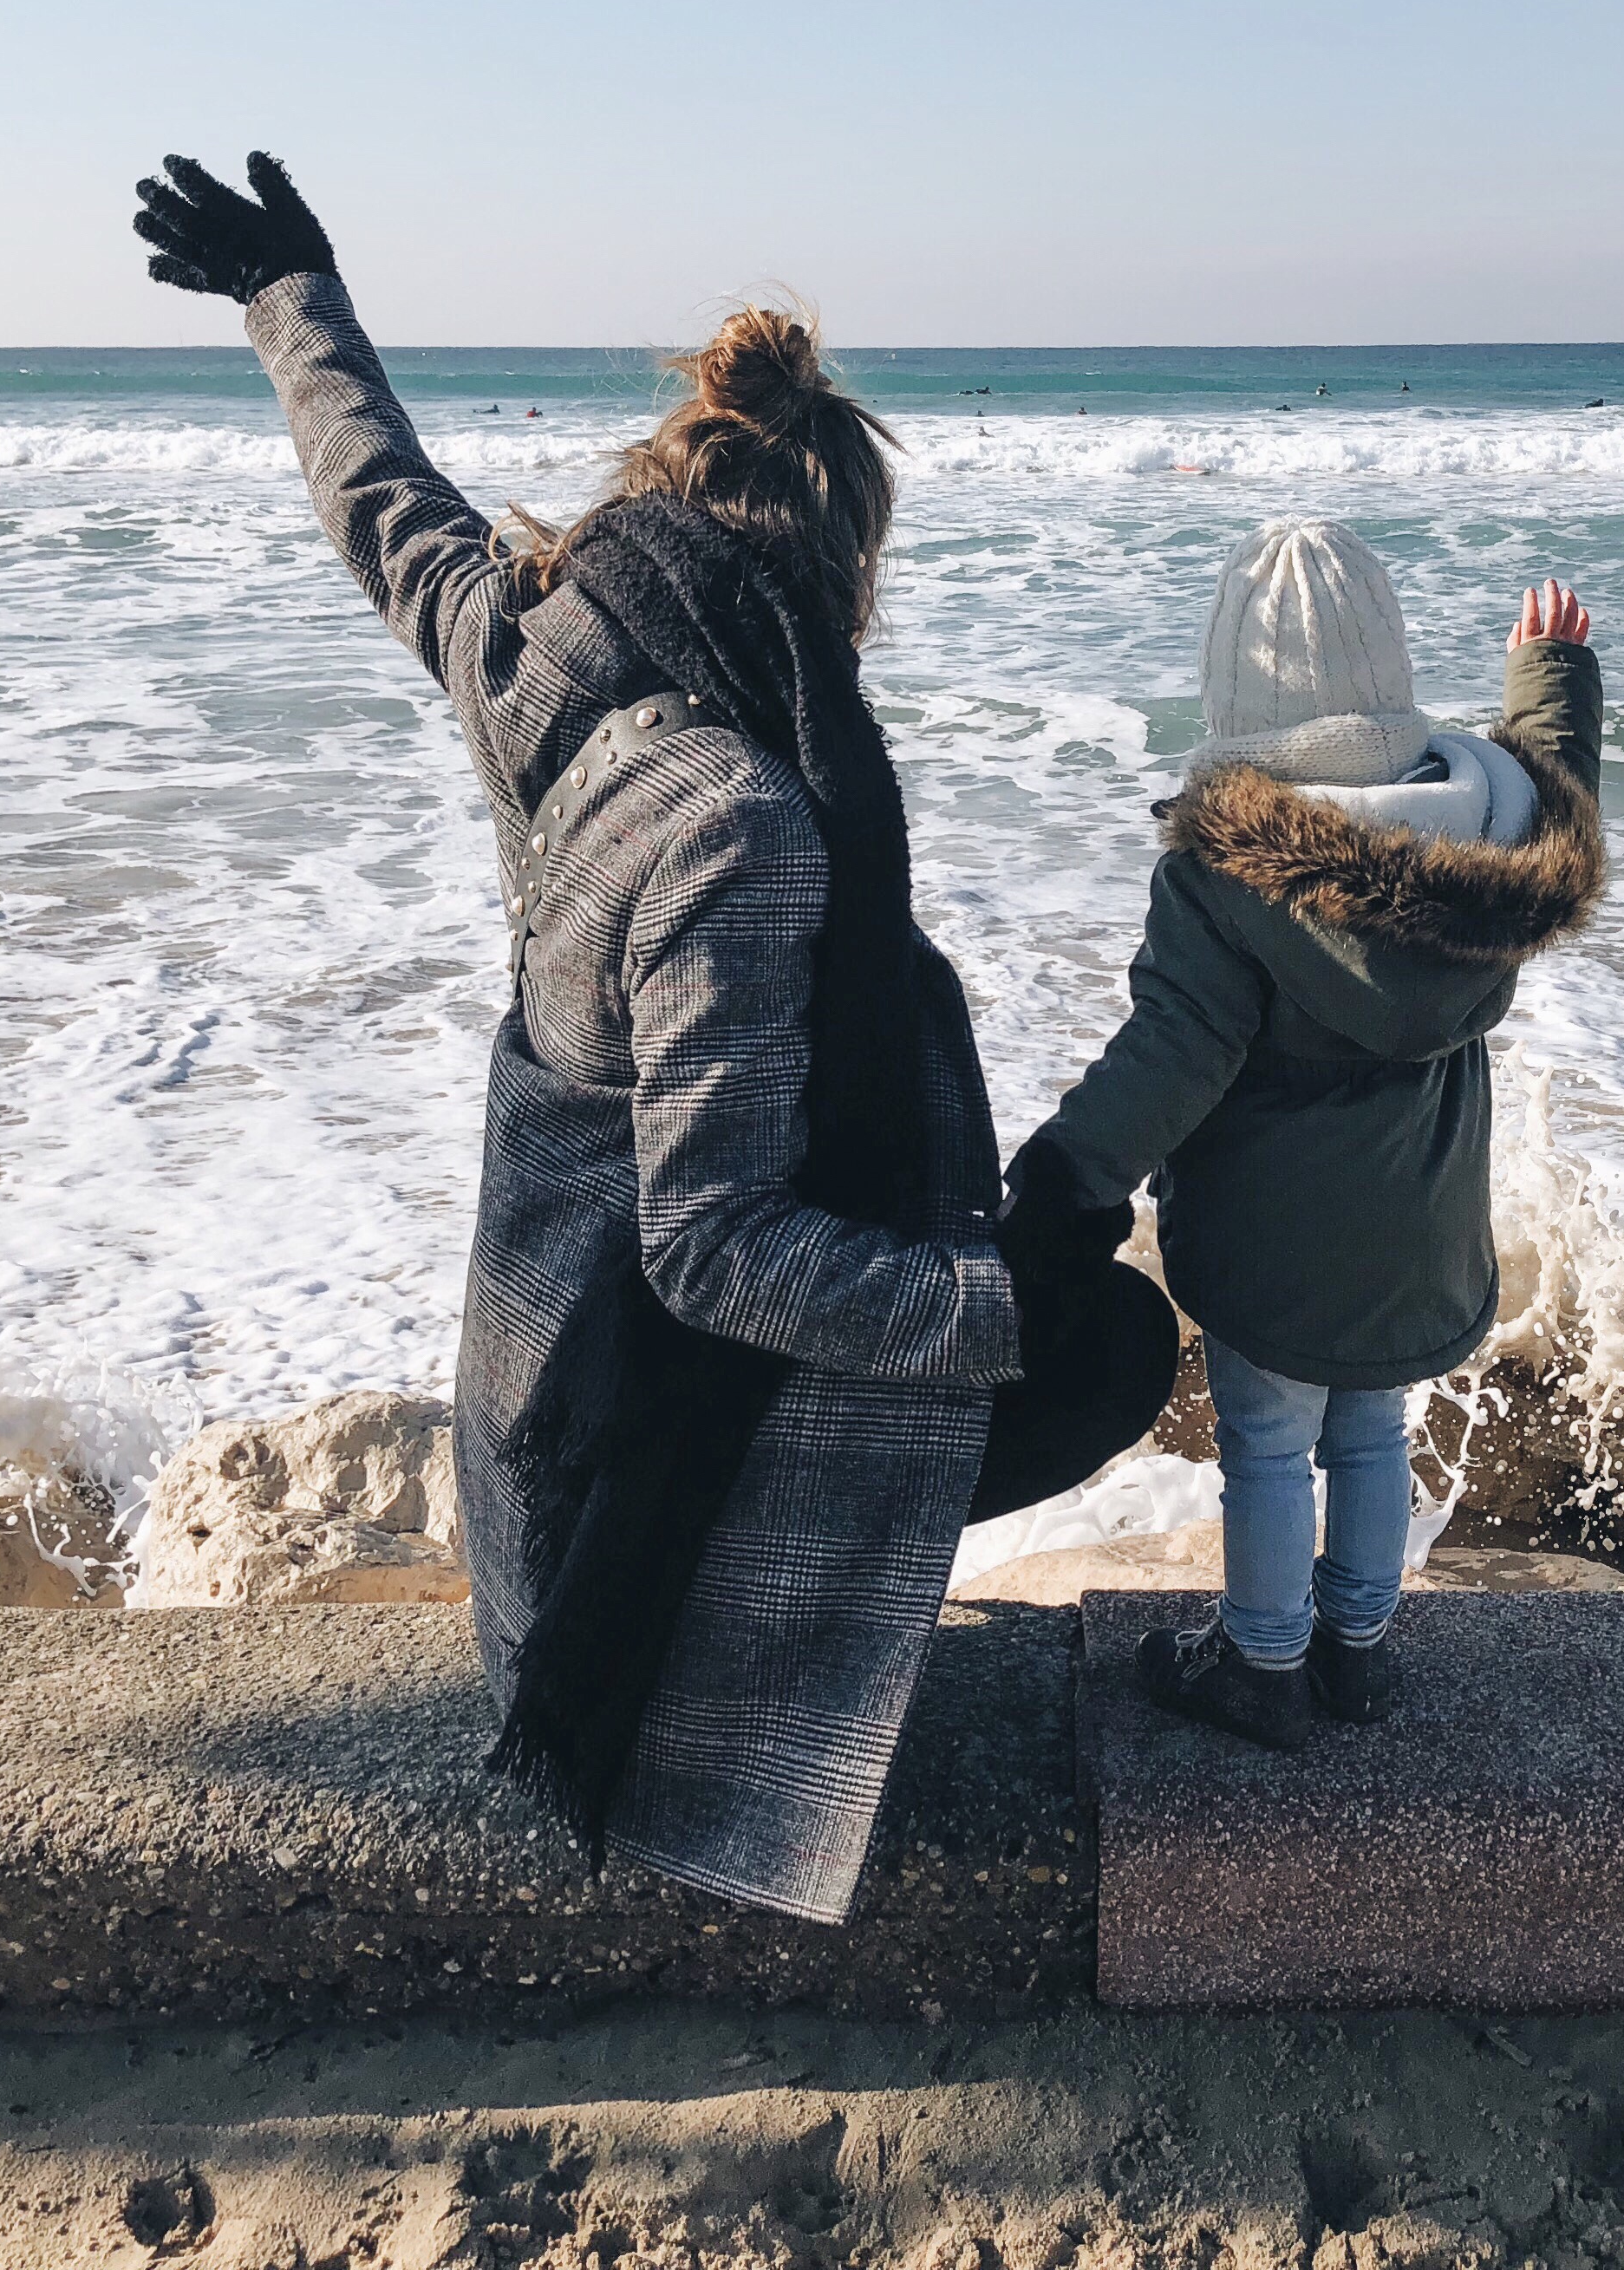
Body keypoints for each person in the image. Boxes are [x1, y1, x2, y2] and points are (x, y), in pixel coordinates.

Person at [131, 152, 1173, 1921]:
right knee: (1105, 1347)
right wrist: (983, 1299)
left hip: (542, 1431)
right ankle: (751, 1662)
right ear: (828, 569)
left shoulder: (533, 649)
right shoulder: (743, 829)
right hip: (614, 1546)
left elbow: (383, 504)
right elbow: (713, 1247)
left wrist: (288, 294)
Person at [1008, 524, 1606, 1749]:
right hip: (1417, 1233)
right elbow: (1557, 788)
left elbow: (1172, 1055)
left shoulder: (1229, 879)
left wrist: (1064, 1182)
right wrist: (1549, 683)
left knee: (1271, 1447)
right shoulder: (1486, 842)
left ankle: (1264, 1663)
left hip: (1271, 1243)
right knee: (1375, 1429)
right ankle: (1359, 1652)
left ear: (1233, 695)